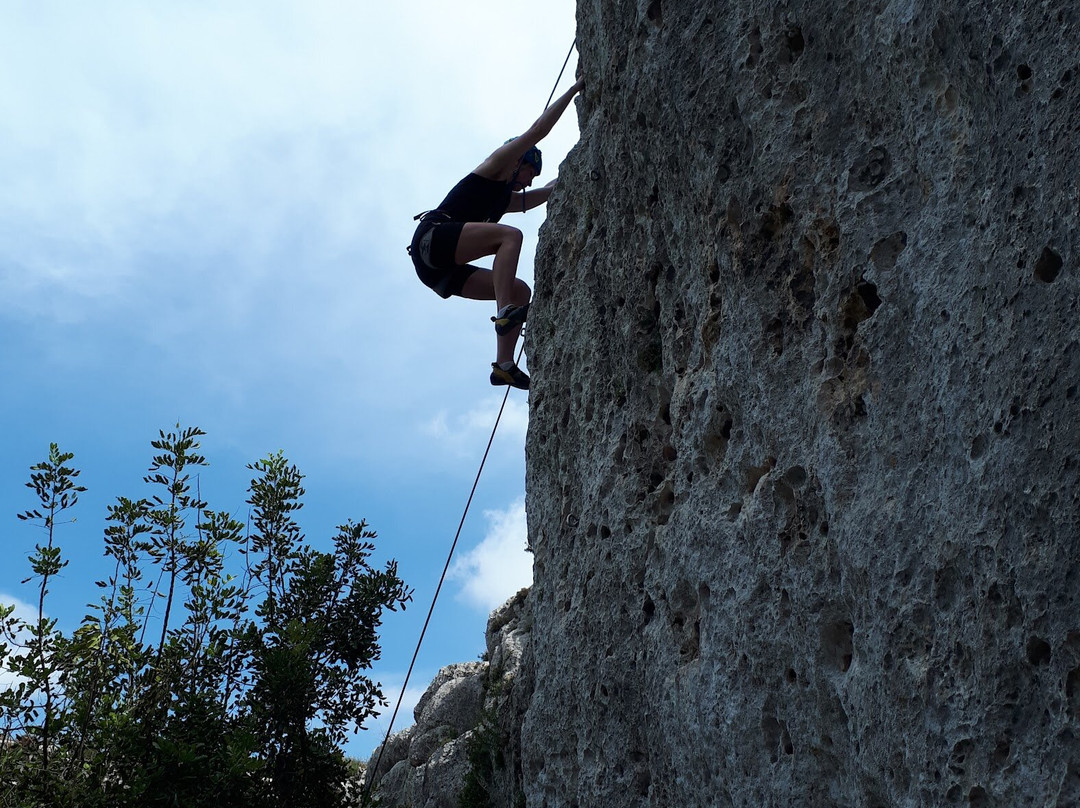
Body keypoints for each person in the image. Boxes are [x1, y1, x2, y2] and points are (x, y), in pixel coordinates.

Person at [409, 78, 584, 390]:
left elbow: (545, 192)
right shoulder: (495, 166)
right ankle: (505, 314)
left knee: (521, 292)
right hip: (432, 239)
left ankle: (503, 366)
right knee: (510, 237)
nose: (529, 181)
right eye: (531, 172)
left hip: (440, 270)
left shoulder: (505, 198)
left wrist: (580, 163)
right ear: (519, 162)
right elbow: (536, 132)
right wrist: (573, 91)